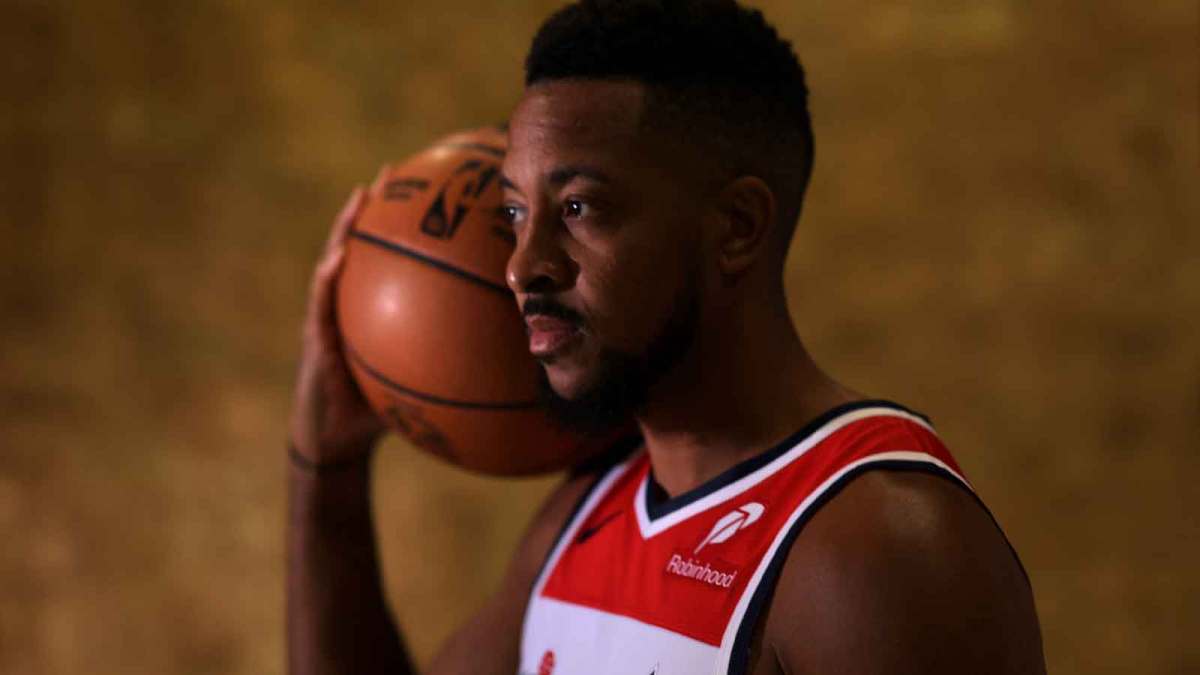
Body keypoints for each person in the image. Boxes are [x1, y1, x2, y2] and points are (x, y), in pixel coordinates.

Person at [286, 1, 1047, 673]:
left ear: (738, 228)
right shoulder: (588, 509)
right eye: (515, 213)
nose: (524, 266)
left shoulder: (875, 553)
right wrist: (327, 467)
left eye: (581, 207)